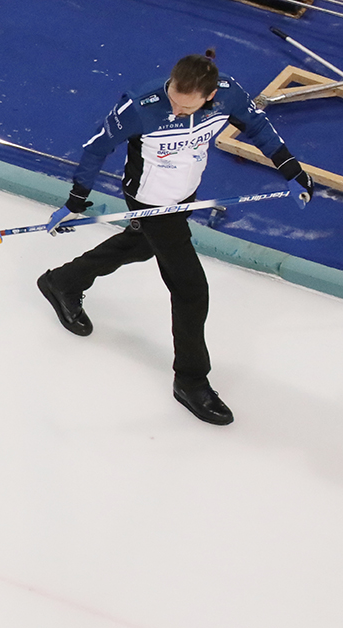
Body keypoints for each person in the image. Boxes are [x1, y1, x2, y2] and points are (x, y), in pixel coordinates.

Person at [36, 50, 314, 426]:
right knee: (190, 289)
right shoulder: (142, 105)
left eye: (187, 108)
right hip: (150, 199)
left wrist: (292, 170)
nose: (177, 111)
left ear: (210, 96)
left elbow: (258, 127)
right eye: (174, 102)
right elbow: (96, 147)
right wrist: (75, 201)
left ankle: (62, 281)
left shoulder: (228, 94)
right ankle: (191, 380)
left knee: (139, 246)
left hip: (185, 193)